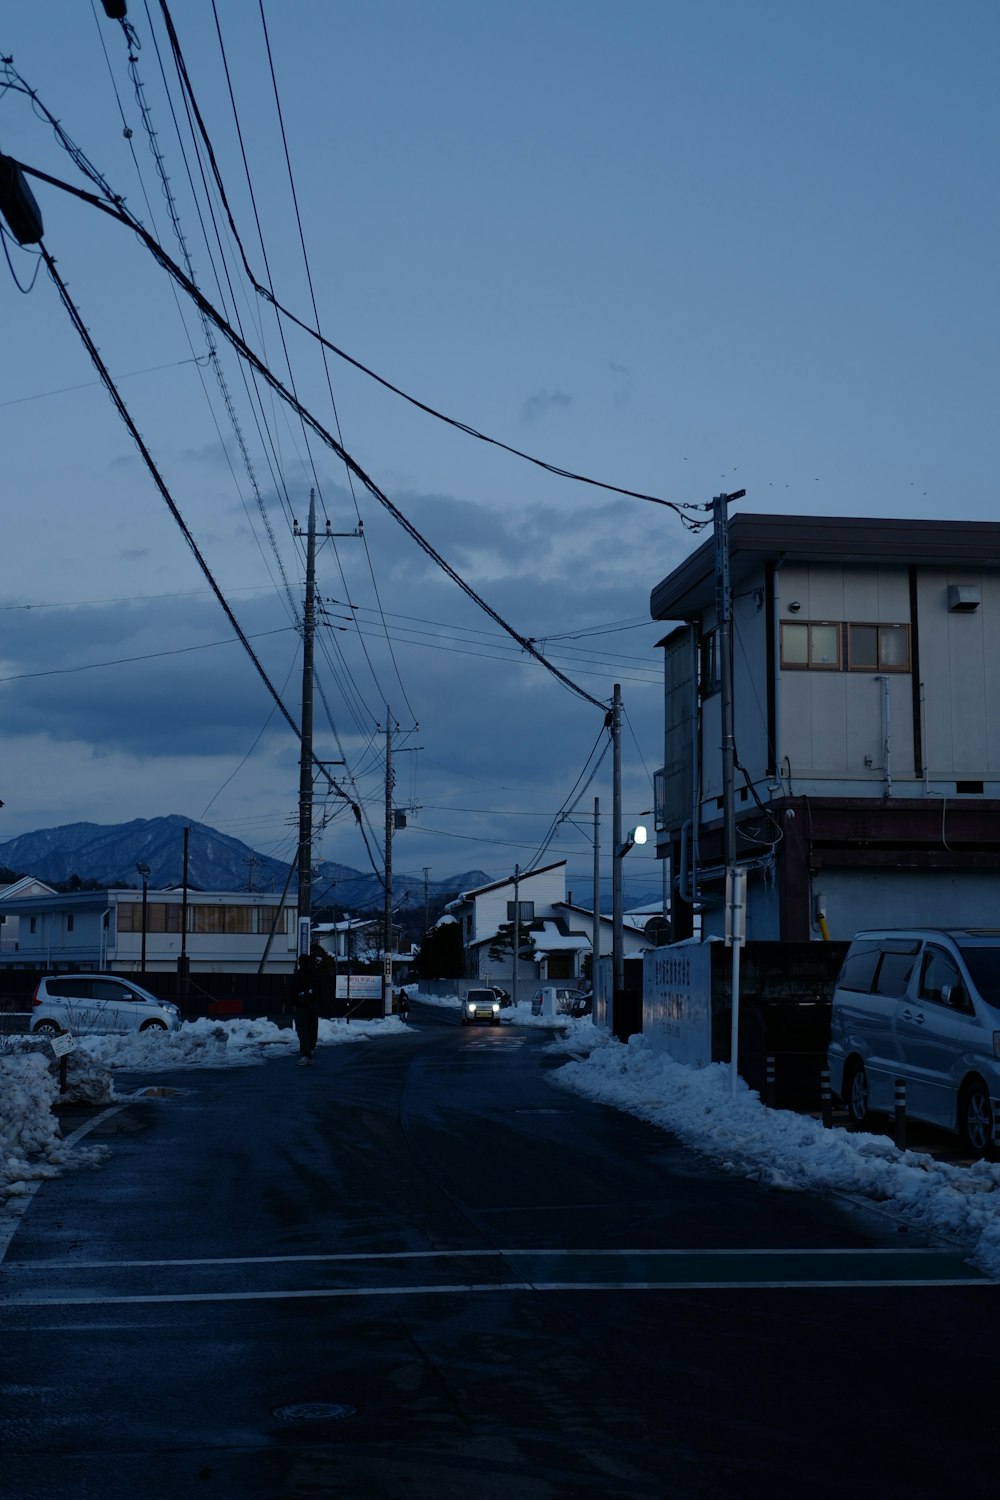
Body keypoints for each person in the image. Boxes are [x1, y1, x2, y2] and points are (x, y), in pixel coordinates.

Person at [290, 953, 320, 1065]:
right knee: (312, 1028)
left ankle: (306, 1054)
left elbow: (291, 991)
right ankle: (311, 1048)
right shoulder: (315, 974)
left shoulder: (298, 975)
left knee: (302, 1030)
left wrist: (292, 1004)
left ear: (299, 962)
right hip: (314, 1004)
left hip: (300, 1006)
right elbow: (320, 989)